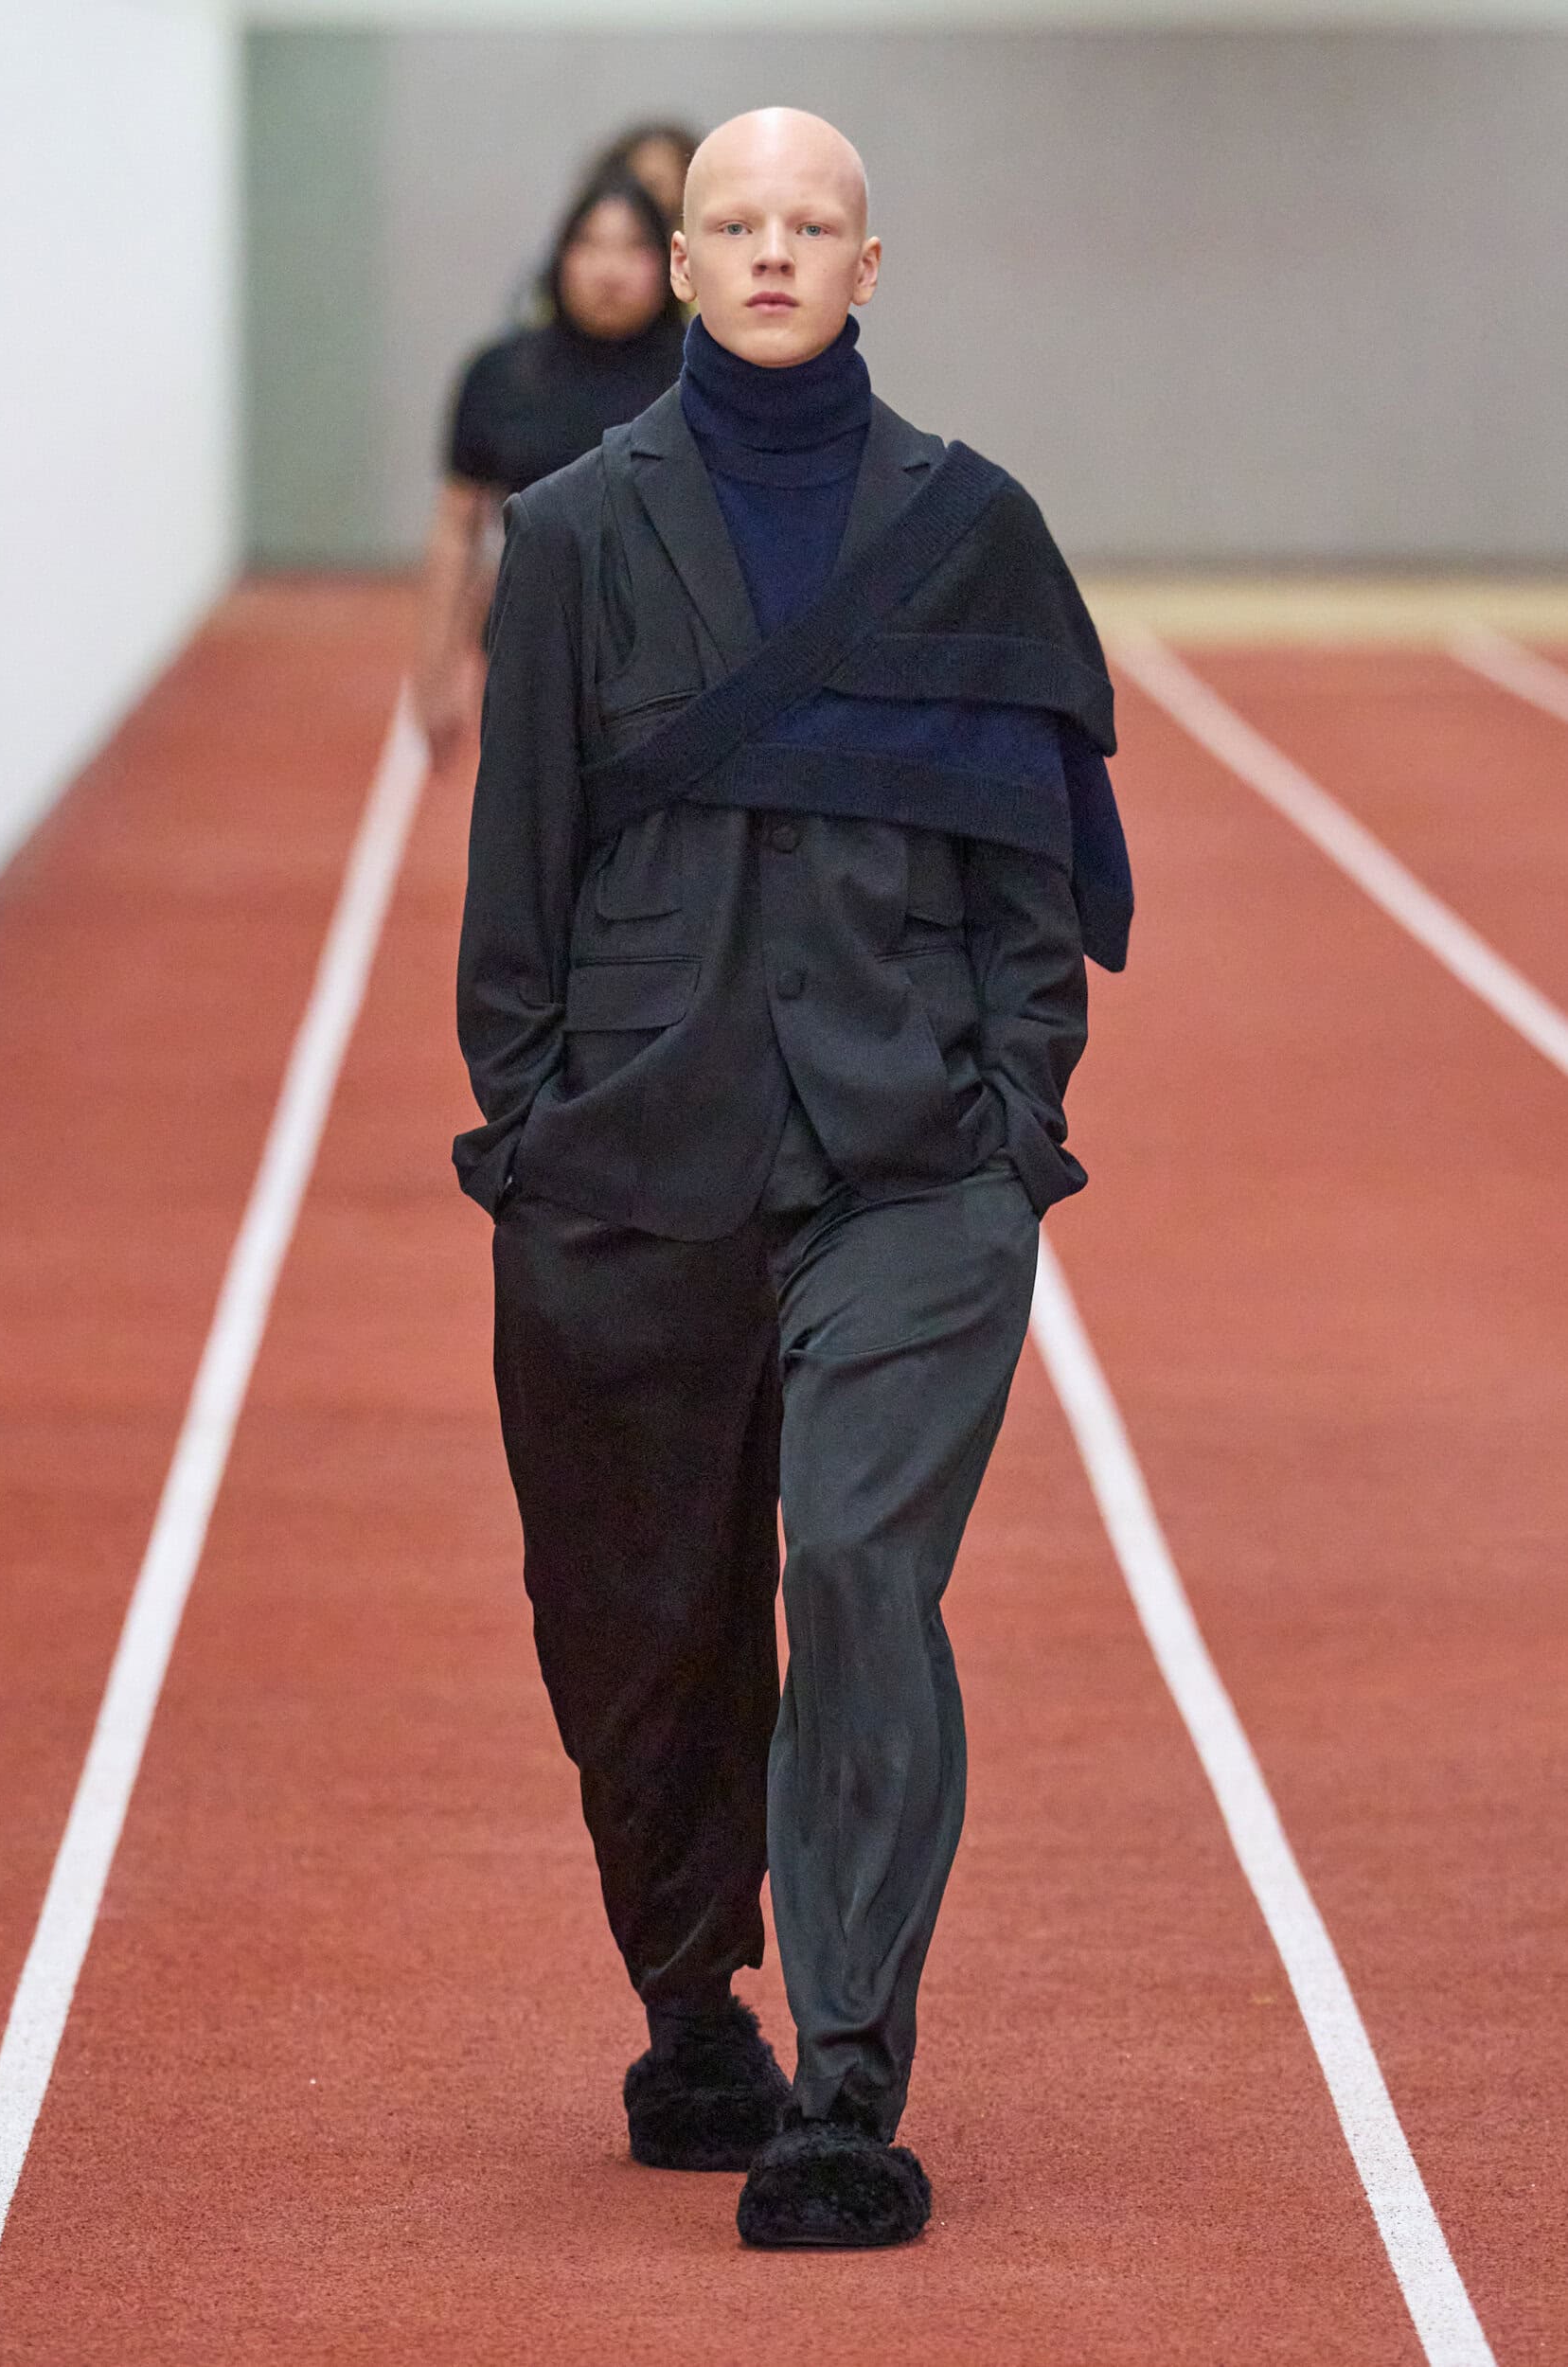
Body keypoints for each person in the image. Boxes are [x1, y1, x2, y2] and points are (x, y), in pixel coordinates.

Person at [454, 108, 1131, 2250]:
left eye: (808, 224)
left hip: (911, 1156)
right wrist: (534, 1118)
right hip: (633, 1155)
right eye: (732, 223)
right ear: (679, 261)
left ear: (868, 264)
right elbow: (517, 865)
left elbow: (1035, 861)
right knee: (637, 1615)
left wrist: (1014, 1118)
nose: (769, 253)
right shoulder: (575, 531)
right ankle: (692, 2008)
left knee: (853, 1571)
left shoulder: (974, 531)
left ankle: (847, 2081)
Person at [413, 170, 686, 768]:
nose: (609, 270)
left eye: (633, 248)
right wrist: (434, 668)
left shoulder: (700, 381)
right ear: (560, 257)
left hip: (668, 670)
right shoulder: (500, 375)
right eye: (591, 244)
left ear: (671, 265)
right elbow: (457, 527)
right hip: (530, 655)